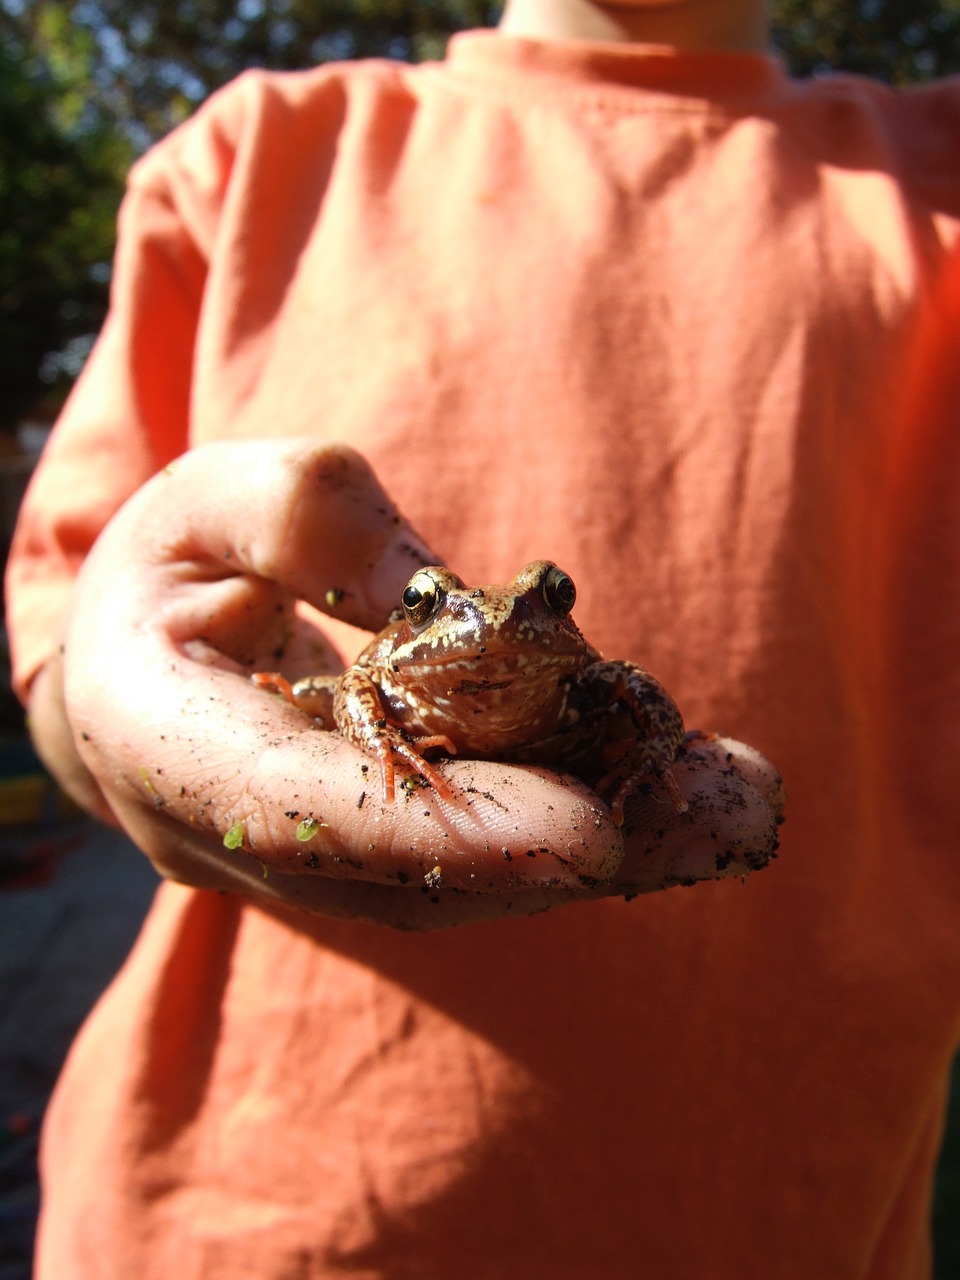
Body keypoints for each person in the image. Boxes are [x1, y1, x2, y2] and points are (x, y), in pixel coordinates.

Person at [5, 0, 960, 1272]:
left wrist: (637, 752)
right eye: (442, 602)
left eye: (542, 600)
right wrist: (126, 696)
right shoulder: (252, 158)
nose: (500, 620)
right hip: (252, 1206)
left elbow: (627, 693)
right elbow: (69, 643)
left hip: (787, 1204)